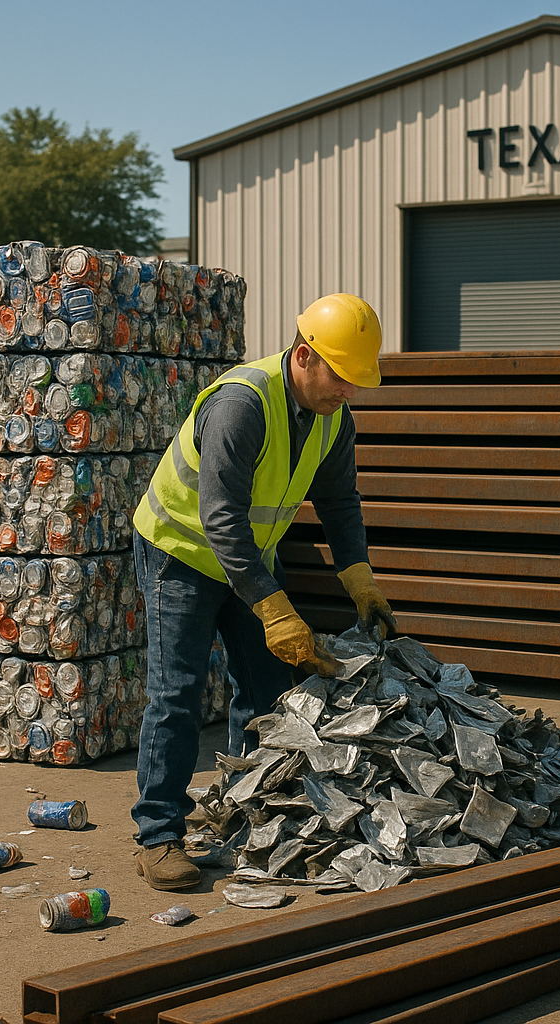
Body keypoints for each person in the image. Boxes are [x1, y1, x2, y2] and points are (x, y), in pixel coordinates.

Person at [130, 292, 397, 891]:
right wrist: (274, 608)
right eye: (341, 377)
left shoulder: (332, 419)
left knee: (267, 690)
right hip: (182, 551)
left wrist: (359, 577)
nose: (347, 393)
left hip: (247, 558)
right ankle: (158, 835)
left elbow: (338, 502)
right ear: (304, 356)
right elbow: (220, 517)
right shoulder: (241, 404)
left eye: (357, 381)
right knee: (177, 691)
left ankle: (244, 809)